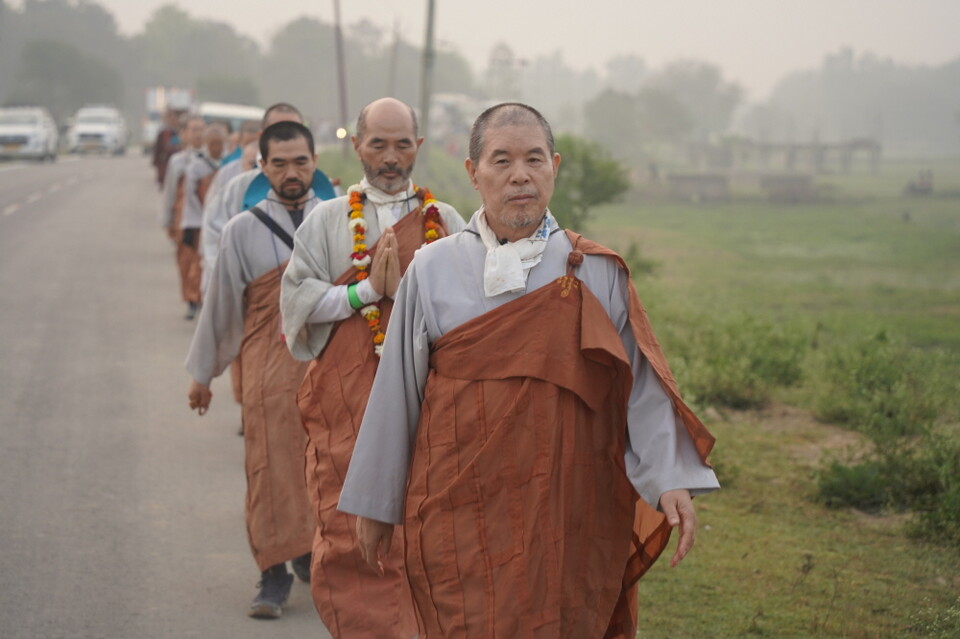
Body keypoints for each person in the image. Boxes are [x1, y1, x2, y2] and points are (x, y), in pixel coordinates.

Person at [339, 103, 720, 638]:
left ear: (554, 167)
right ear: (473, 173)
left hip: (565, 502)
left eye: (534, 159)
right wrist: (376, 505)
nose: (520, 175)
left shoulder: (596, 271)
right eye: (502, 161)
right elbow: (395, 392)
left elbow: (640, 386)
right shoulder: (432, 268)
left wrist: (670, 478)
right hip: (459, 505)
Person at [280, 97, 466, 638]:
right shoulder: (327, 219)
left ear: (418, 147)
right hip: (347, 403)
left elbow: (466, 314)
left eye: (402, 144)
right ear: (357, 144)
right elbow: (296, 305)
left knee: (424, 524)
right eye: (378, 144)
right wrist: (366, 293)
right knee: (347, 524)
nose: (389, 157)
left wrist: (413, 299)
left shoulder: (446, 222)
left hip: (427, 403)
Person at [184, 121, 322, 620]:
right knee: (268, 465)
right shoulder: (241, 229)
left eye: (300, 162)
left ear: (315, 163)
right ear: (262, 167)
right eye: (279, 164)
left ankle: (309, 549)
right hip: (268, 363)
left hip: (327, 366)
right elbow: (222, 306)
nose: (291, 172)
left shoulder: (338, 220)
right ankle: (272, 572)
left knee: (322, 465)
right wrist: (203, 375)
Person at [178, 122, 229, 318]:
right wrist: (201, 218)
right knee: (193, 263)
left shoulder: (229, 165)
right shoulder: (196, 166)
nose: (217, 148)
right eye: (213, 144)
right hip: (198, 220)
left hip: (222, 221)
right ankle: (192, 300)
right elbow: (190, 196)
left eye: (220, 143)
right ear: (206, 144)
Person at [159, 115, 205, 318]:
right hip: (182, 219)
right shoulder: (178, 162)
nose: (198, 134)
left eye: (202, 129)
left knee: (203, 261)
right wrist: (167, 220)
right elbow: (169, 192)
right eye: (194, 130)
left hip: (205, 219)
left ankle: (201, 297)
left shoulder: (212, 160)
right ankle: (191, 299)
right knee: (185, 260)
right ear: (183, 134)